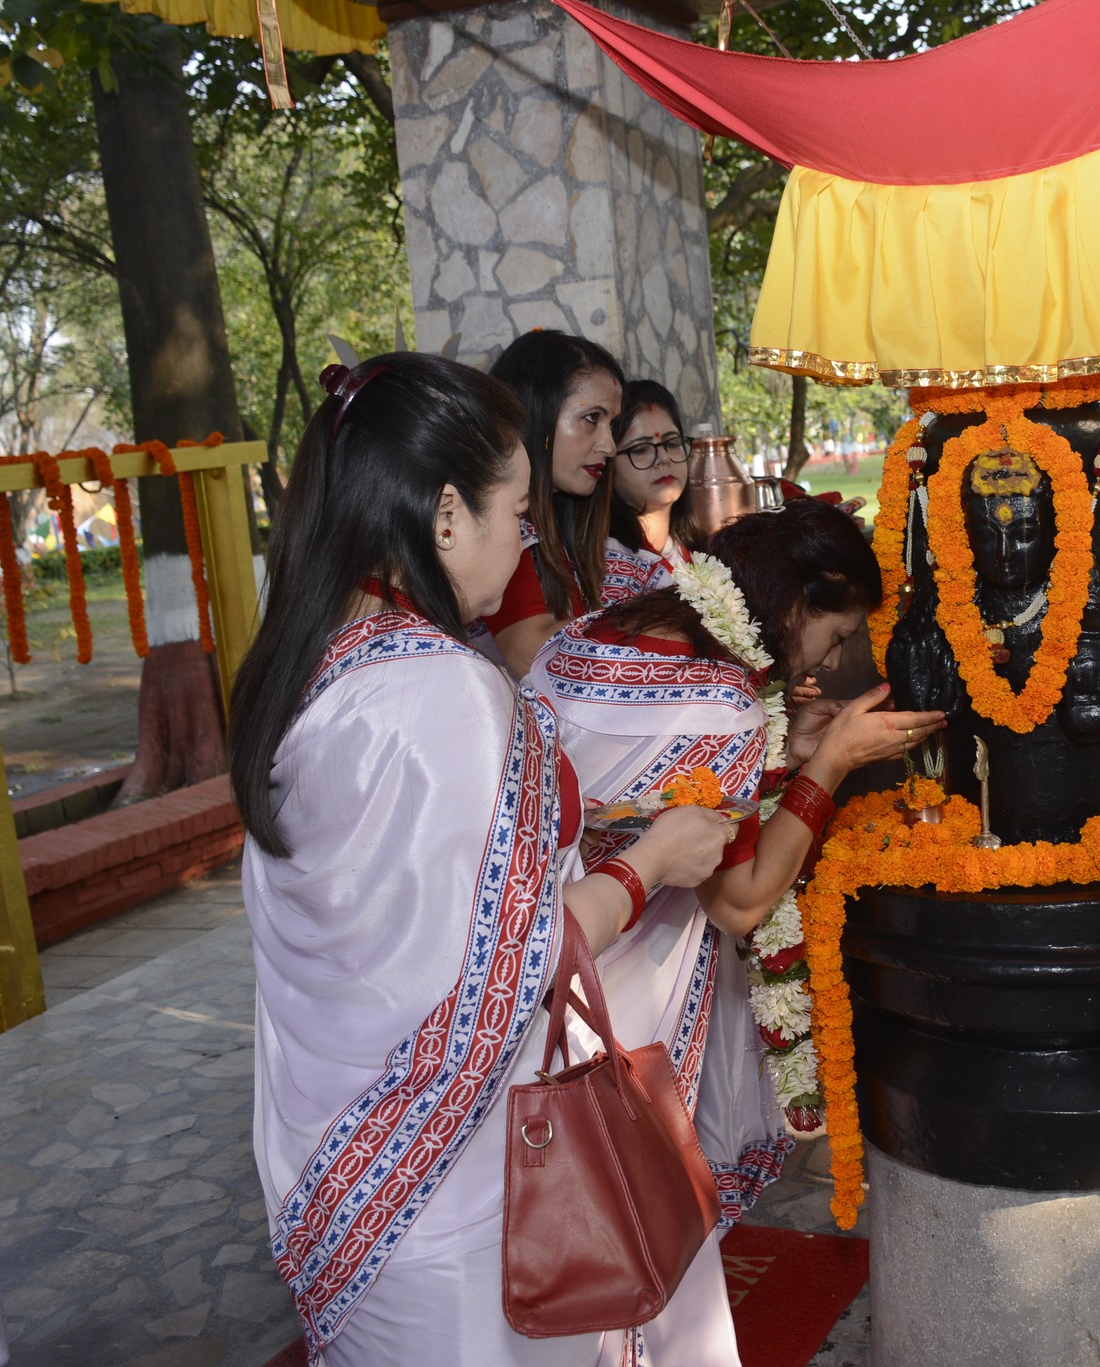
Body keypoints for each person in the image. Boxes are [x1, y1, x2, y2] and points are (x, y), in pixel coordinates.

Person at [231, 352, 732, 1364]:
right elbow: (508, 968)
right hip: (453, 1180)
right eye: (518, 510)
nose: (525, 537)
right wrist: (652, 861)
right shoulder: (442, 691)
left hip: (336, 1158)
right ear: (447, 513)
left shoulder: (309, 654)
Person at [531, 499, 945, 1234]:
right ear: (796, 601)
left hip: (534, 940)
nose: (830, 661)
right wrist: (832, 763)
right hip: (622, 977)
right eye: (837, 635)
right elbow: (740, 902)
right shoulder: (723, 702)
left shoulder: (592, 632)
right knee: (631, 1220)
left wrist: (779, 753)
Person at [482, 330, 627, 677]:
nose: (610, 447)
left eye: (612, 424)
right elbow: (529, 652)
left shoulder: (559, 525)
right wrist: (657, 623)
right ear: (536, 415)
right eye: (591, 418)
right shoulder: (498, 522)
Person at [602, 379, 702, 605]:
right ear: (608, 467)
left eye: (672, 443)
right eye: (641, 449)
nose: (663, 458)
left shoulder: (697, 552)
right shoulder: (611, 568)